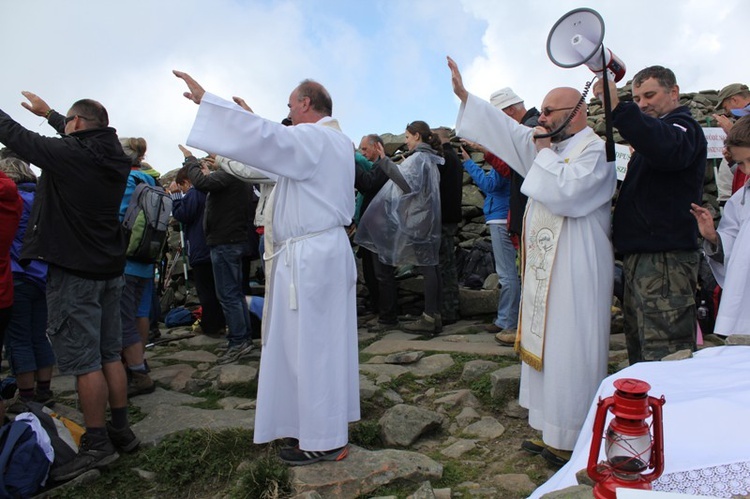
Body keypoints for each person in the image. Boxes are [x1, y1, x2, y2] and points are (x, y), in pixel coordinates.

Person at [174, 71, 359, 465]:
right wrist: (245, 124)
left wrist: (211, 102)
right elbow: (265, 159)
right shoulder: (331, 142)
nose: (288, 113)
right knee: (311, 346)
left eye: (291, 105)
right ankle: (315, 427)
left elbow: (271, 140)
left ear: (306, 103)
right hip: (313, 255)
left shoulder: (316, 138)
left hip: (311, 258)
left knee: (316, 347)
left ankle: (326, 440)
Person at [448, 56, 616, 467]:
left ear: (577, 113)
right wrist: (467, 98)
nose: (539, 117)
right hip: (547, 266)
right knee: (548, 347)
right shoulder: (549, 146)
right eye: (539, 110)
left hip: (577, 264)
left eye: (549, 111)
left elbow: (568, 195)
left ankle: (573, 435)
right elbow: (507, 134)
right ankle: (548, 429)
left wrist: (541, 152)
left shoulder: (597, 152)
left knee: (571, 347)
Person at [0, 93, 139, 481]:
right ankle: (121, 430)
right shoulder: (112, 153)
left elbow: (17, 136)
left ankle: (96, 445)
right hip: (110, 270)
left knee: (85, 363)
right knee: (110, 354)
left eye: (67, 123)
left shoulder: (72, 155)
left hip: (76, 271)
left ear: (77, 124)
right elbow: (79, 135)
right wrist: (50, 115)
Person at [595, 66, 707, 364]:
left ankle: (673, 411)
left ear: (674, 92)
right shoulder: (654, 139)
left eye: (649, 95)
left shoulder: (684, 128)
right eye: (636, 97)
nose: (642, 103)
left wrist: (619, 108)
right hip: (643, 260)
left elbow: (667, 147)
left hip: (665, 263)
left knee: (667, 355)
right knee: (643, 353)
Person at [356, 121, 445, 335]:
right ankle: (434, 315)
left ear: (416, 136)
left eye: (407, 137)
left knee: (428, 267)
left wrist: (385, 162)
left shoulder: (419, 159)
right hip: (425, 221)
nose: (405, 142)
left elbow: (406, 184)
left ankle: (429, 317)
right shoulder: (429, 159)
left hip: (418, 222)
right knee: (431, 267)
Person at [180, 142, 255, 364]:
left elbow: (202, 184)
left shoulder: (231, 174)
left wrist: (190, 160)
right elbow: (211, 182)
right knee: (235, 294)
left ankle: (239, 341)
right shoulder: (236, 176)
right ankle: (243, 338)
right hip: (232, 240)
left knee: (228, 295)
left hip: (224, 242)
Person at [0, 158, 55, 413]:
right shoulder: (44, 201)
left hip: (16, 273)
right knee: (38, 334)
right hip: (42, 275)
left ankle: (26, 396)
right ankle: (44, 390)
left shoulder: (12, 201)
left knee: (19, 339)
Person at [691, 115, 750, 336]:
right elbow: (734, 241)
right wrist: (714, 237)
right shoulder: (742, 197)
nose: (746, 170)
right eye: (741, 164)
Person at [458, 142, 519, 343]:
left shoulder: (504, 163)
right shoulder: (506, 161)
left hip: (500, 218)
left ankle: (507, 322)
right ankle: (506, 319)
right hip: (501, 216)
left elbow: (489, 185)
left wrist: (468, 163)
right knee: (508, 272)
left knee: (507, 274)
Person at [354, 134, 411, 332]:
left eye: (364, 149)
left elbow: (368, 184)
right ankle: (380, 311)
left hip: (381, 231)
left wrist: (351, 162)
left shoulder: (384, 167)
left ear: (377, 147)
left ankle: (388, 318)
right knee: (372, 273)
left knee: (383, 274)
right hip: (372, 231)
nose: (362, 153)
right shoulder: (377, 167)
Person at [118, 137, 156, 397]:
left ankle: (137, 371)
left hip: (125, 257)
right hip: (146, 257)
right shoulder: (149, 180)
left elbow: (118, 217)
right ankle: (139, 360)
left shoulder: (123, 182)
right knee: (141, 313)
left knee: (123, 318)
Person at [170, 166, 226, 337]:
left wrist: (176, 197)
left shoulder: (195, 193)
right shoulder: (212, 190)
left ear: (186, 182)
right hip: (214, 245)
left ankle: (211, 326)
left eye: (183, 187)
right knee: (218, 289)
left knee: (206, 290)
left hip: (200, 248)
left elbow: (184, 215)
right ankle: (220, 323)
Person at [434, 127, 463, 325]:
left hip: (443, 217)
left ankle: (448, 311)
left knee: (444, 266)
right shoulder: (455, 158)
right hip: (452, 215)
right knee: (448, 265)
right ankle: (451, 309)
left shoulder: (443, 159)